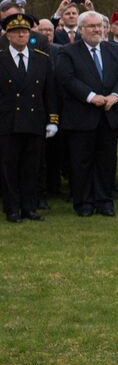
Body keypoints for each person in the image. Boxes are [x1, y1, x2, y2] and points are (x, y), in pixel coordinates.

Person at [53, 11, 118, 216]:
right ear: (81, 29)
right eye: (92, 26)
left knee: (107, 162)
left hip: (109, 115)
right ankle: (84, 203)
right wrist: (90, 96)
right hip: (81, 117)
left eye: (100, 26)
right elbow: (66, 79)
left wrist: (115, 95)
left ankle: (105, 201)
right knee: (81, 162)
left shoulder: (115, 50)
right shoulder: (68, 52)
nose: (97, 30)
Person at [0, 13, 58, 222]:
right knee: (9, 168)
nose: (21, 35)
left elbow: (49, 92)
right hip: (8, 123)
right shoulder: (1, 59)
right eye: (16, 32)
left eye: (24, 32)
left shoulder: (41, 59)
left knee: (31, 168)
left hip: (35, 121)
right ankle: (12, 209)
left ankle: (29, 207)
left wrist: (53, 120)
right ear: (8, 36)